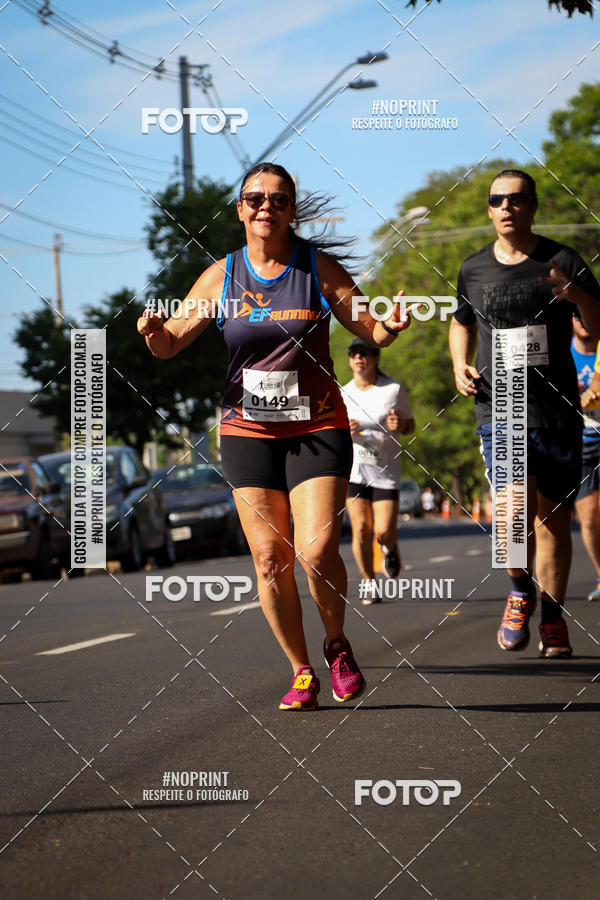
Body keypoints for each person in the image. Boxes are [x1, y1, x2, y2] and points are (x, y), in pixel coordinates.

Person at [137, 162, 416, 710]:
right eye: (255, 198)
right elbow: (170, 344)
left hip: (315, 427)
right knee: (269, 558)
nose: (267, 206)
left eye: (279, 199)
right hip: (247, 430)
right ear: (241, 209)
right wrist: (152, 334)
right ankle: (301, 670)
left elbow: (370, 327)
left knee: (313, 553)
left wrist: (390, 325)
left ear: (291, 208)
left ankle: (336, 643)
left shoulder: (317, 268)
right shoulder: (222, 276)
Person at [449, 168, 600, 658]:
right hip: (501, 407)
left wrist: (574, 294)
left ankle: (554, 618)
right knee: (513, 514)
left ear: (533, 206)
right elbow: (461, 323)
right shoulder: (473, 268)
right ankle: (520, 590)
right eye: (497, 200)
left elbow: (594, 330)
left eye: (517, 199)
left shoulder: (562, 258)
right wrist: (458, 364)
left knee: (553, 522)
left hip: (555, 411)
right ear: (489, 209)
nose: (507, 207)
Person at [342, 338, 414, 603]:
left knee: (383, 530)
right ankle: (369, 581)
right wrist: (342, 430)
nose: (358, 357)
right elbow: (331, 431)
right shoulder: (343, 392)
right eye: (353, 353)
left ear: (375, 358)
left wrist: (401, 423)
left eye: (364, 353)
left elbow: (410, 425)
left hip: (385, 472)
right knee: (360, 528)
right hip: (355, 471)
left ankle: (389, 546)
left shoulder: (392, 390)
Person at [571, 314, 600, 601]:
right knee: (589, 518)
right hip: (581, 444)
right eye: (576, 316)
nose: (583, 321)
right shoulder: (562, 355)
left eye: (586, 313)